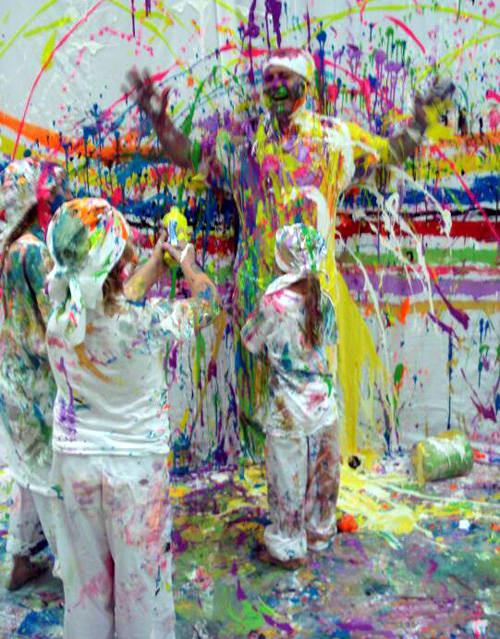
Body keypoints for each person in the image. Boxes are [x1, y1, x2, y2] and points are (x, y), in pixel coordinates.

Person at [126, 48, 454, 454]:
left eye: (285, 77)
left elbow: (389, 154)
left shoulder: (335, 140)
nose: (276, 86)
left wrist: (420, 124)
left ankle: (315, 478)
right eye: (270, 79)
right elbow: (191, 156)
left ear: (306, 83)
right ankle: (260, 478)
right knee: (257, 402)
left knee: (316, 403)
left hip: (315, 300)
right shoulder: (245, 145)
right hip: (256, 296)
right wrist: (161, 124)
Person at [45, 197, 220, 639]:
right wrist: (187, 263)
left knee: (85, 589)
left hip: (76, 467)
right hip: (135, 474)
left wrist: (156, 262)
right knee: (141, 589)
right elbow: (209, 304)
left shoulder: (61, 319)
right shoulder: (148, 323)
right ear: (116, 260)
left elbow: (111, 300)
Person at [241, 223, 339, 570]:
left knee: (288, 483)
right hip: (324, 407)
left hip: (288, 409)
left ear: (288, 259)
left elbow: (250, 341)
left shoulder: (273, 303)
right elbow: (329, 345)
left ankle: (287, 549)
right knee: (321, 480)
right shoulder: (324, 299)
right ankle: (319, 534)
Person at [0, 157, 65, 590]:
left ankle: (21, 559)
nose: (58, 197)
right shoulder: (33, 252)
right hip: (35, 380)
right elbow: (53, 320)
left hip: (11, 376)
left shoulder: (7, 246)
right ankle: (73, 573)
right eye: (52, 191)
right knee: (49, 480)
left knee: (26, 472)